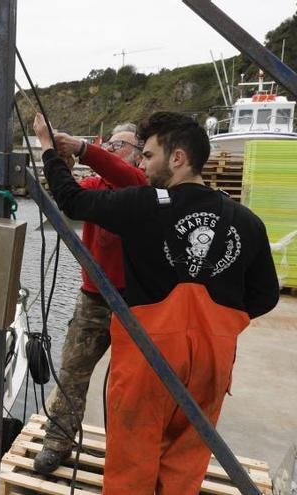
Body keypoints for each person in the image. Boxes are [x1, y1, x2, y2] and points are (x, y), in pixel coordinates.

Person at [34, 111, 279, 494]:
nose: (143, 166)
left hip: (149, 354)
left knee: (134, 453)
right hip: (212, 359)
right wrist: (221, 321)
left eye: (148, 156)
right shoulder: (246, 221)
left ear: (177, 158)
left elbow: (71, 199)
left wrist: (48, 149)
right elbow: (265, 296)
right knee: (188, 451)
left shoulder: (145, 205)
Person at [33, 124, 147, 473]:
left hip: (135, 304)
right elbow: (68, 200)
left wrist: (84, 148)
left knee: (129, 385)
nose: (113, 148)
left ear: (139, 155)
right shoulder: (95, 188)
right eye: (109, 143)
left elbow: (123, 175)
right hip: (93, 299)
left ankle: (126, 450)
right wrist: (56, 159)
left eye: (121, 144)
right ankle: (58, 441)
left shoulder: (142, 190)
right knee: (71, 372)